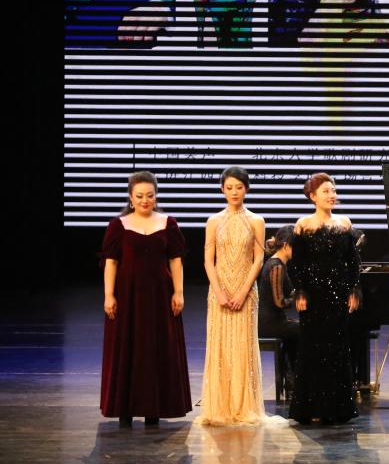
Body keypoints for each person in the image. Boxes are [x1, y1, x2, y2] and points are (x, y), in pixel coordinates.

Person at [100, 171, 190, 427]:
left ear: (156, 196)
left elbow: (175, 260)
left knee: (157, 347)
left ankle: (154, 409)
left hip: (160, 297)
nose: (145, 200)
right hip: (127, 296)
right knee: (127, 348)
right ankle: (125, 409)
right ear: (130, 197)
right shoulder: (118, 225)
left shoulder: (168, 223)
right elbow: (111, 262)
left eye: (150, 195)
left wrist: (178, 292)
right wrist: (109, 295)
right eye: (139, 196)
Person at [288, 173, 361, 425]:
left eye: (333, 190)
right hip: (313, 298)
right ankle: (311, 408)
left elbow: (353, 262)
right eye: (326, 191)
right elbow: (296, 264)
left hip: (338, 296)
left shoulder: (344, 223)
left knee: (337, 349)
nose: (332, 195)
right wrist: (300, 292)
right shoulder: (304, 224)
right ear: (313, 196)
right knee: (312, 349)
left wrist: (353, 290)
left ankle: (336, 409)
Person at [197, 167, 266, 426]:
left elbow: (258, 259)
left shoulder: (256, 220)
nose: (234, 192)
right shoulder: (214, 221)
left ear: (246, 189)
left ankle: (243, 406)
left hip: (246, 292)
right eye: (229, 188)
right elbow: (208, 259)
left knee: (243, 349)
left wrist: (243, 291)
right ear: (222, 190)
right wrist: (218, 291)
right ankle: (220, 407)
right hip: (219, 292)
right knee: (220, 348)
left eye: (239, 187)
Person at [258, 225, 300, 392]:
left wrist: (300, 292)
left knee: (295, 330)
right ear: (285, 245)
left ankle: (291, 377)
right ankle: (293, 376)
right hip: (268, 323)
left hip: (274, 320)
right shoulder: (276, 266)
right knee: (303, 329)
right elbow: (280, 302)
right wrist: (298, 298)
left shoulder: (280, 263)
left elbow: (290, 291)